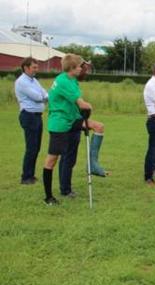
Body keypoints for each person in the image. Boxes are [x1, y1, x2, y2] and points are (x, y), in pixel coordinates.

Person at [43, 54, 107, 204]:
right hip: (60, 124)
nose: (81, 69)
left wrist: (84, 112)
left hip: (73, 120)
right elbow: (83, 104)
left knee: (98, 126)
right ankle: (48, 197)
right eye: (80, 66)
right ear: (72, 68)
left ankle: (92, 164)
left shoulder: (72, 81)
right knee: (52, 160)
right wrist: (89, 106)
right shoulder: (63, 81)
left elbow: (78, 105)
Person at [15, 57, 47, 185]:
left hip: (37, 116)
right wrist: (44, 97)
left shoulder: (33, 80)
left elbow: (43, 92)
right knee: (31, 147)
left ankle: (30, 175)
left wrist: (44, 96)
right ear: (26, 68)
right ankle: (26, 177)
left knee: (36, 147)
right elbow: (38, 97)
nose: (36, 70)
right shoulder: (22, 82)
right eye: (34, 67)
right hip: (29, 116)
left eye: (36, 67)